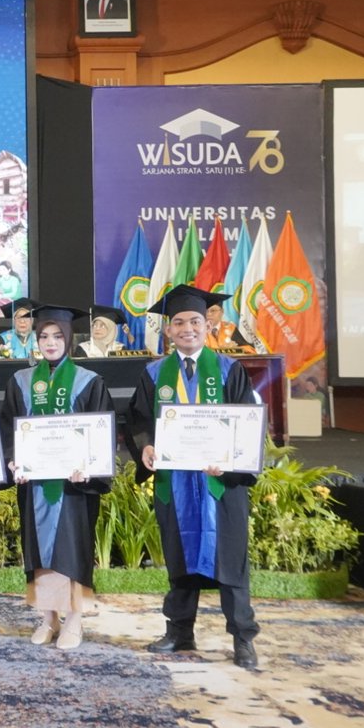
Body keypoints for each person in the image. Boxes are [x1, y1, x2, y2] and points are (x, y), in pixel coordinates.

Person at [130, 285, 261, 669]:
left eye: (194, 321)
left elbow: (246, 424)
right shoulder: (155, 373)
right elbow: (138, 420)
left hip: (220, 483)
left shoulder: (229, 369)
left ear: (208, 326)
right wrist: (146, 447)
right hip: (176, 482)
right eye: (179, 322)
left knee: (231, 560)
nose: (187, 328)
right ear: (169, 330)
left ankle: (242, 638)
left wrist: (230, 461)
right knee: (179, 557)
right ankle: (179, 631)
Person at [1, 304, 114, 650]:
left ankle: (74, 620)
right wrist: (13, 461)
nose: (50, 343)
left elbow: (102, 432)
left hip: (74, 487)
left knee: (72, 548)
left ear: (68, 338)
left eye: (57, 336)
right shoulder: (21, 381)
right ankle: (48, 618)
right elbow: (8, 428)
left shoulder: (88, 381)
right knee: (39, 550)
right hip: (35, 485)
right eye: (44, 336)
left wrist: (90, 466)